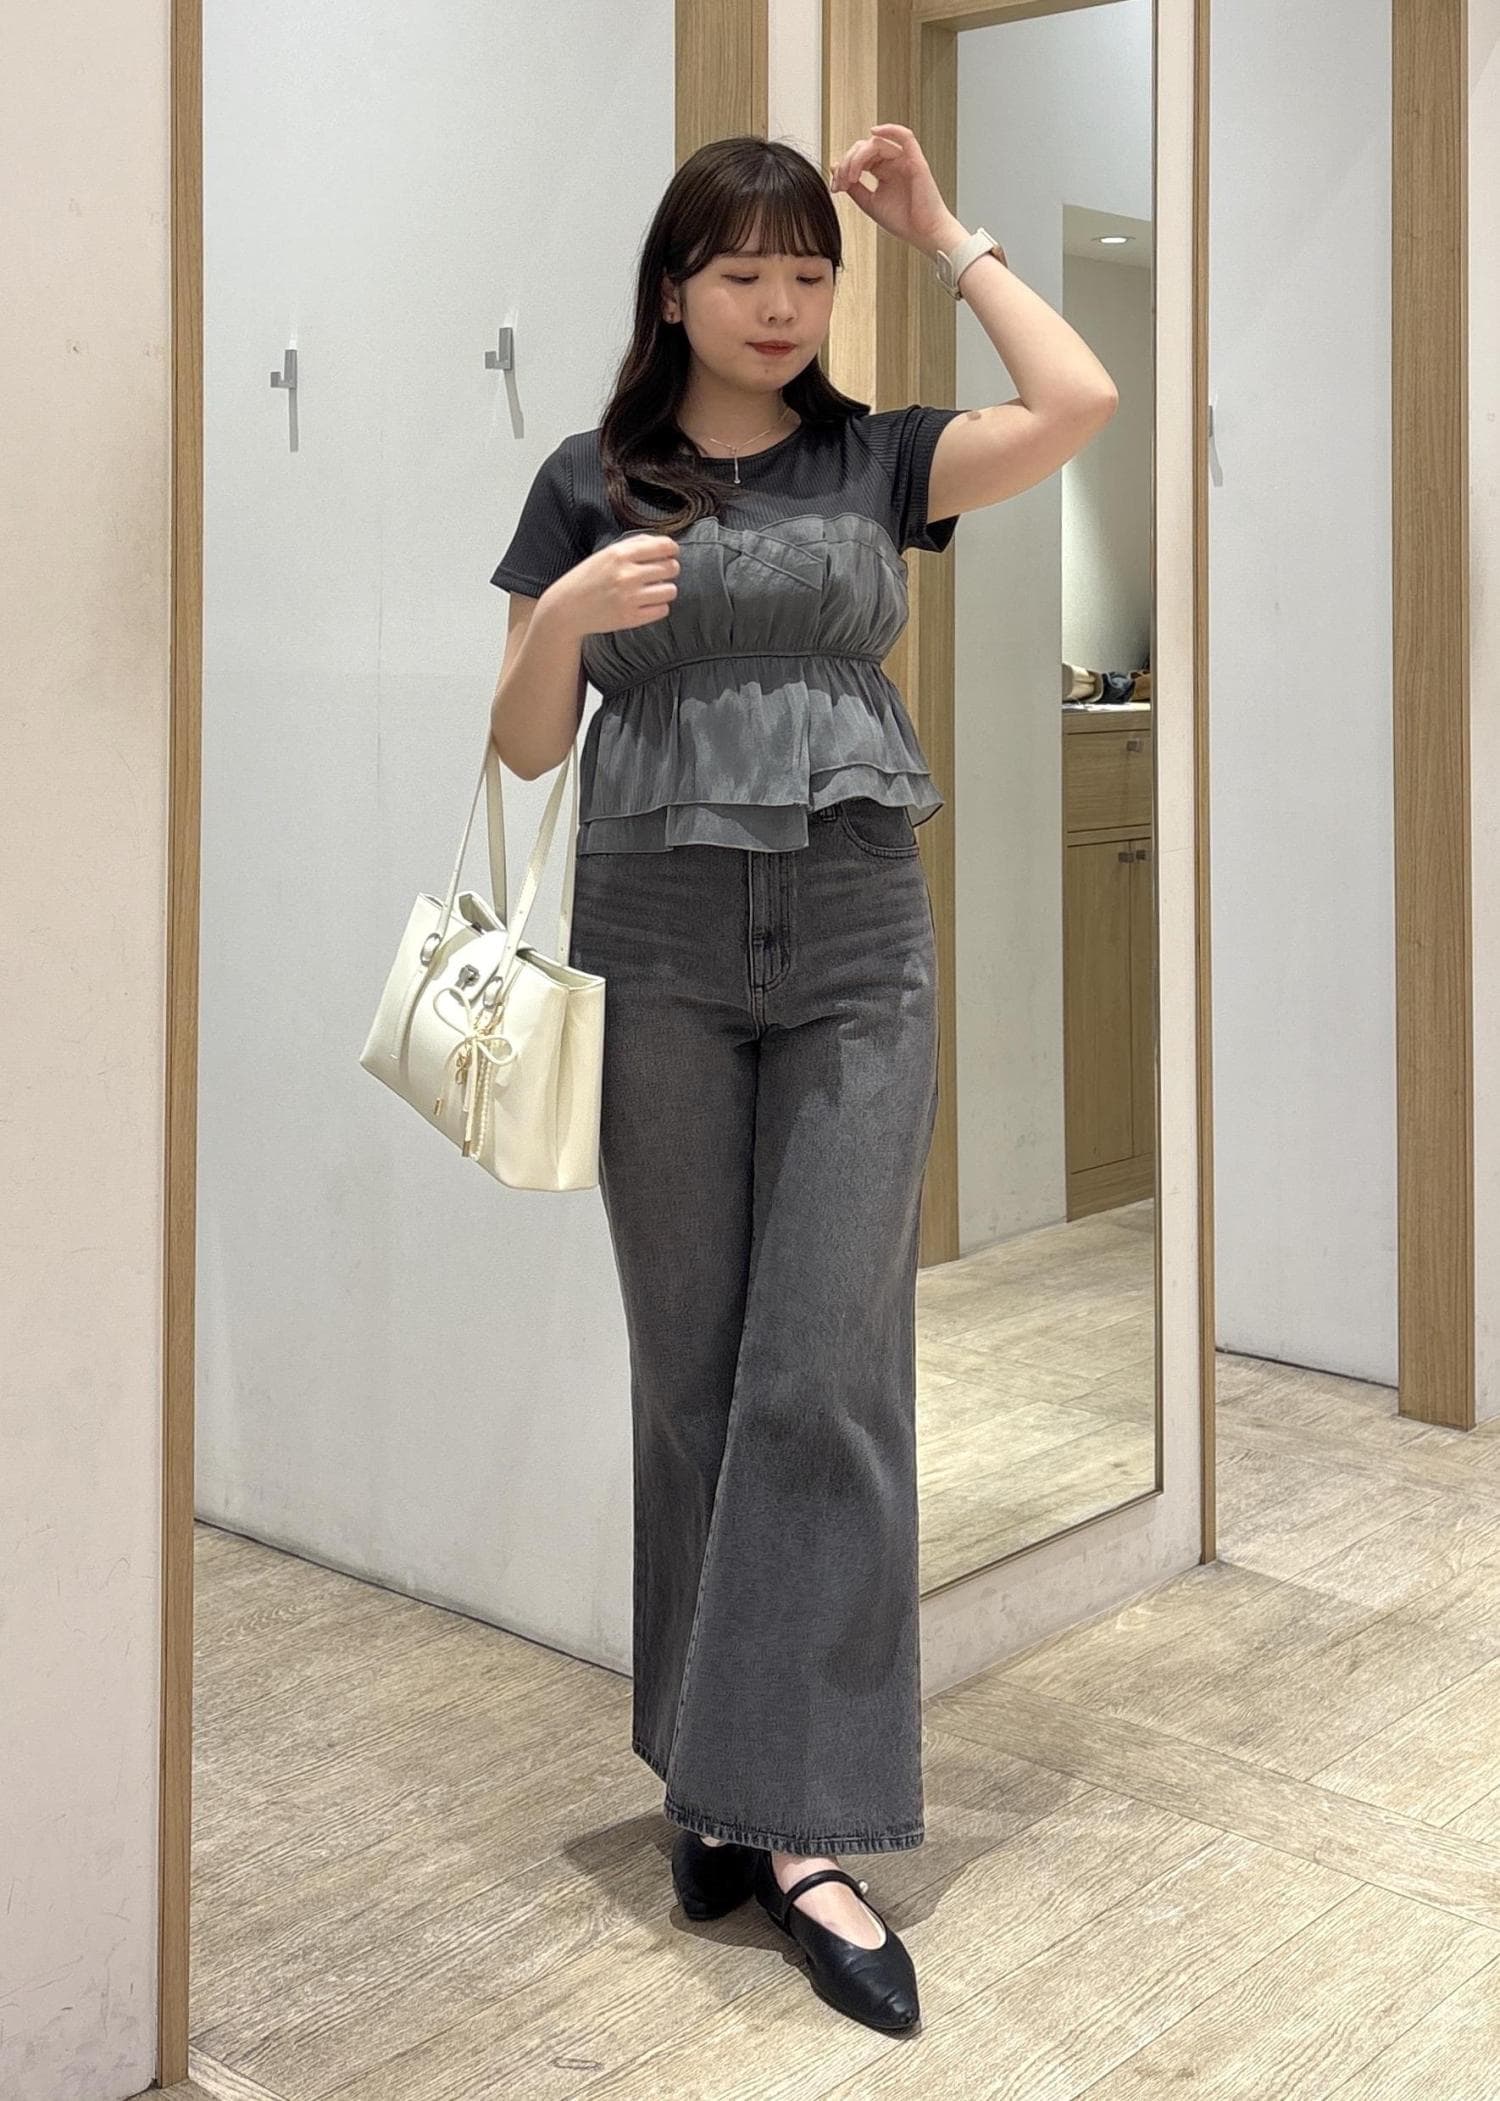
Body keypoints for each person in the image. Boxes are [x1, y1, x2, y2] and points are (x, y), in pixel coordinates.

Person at [488, 124, 1117, 2034]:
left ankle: (806, 1832)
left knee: (820, 1376)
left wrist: (941, 231)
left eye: (809, 271)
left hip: (853, 941)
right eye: (745, 271)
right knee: (690, 1377)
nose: (782, 303)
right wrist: (562, 617)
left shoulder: (880, 458)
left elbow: (1078, 401)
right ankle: (716, 1781)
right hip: (657, 941)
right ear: (675, 290)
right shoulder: (587, 478)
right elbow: (523, 745)